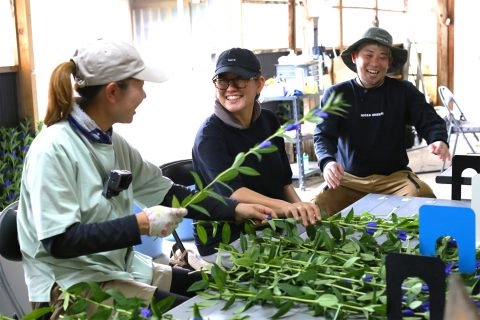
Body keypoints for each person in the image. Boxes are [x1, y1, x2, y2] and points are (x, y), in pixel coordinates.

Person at [16, 39, 276, 318]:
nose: (144, 95)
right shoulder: (53, 149)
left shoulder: (112, 142)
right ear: (113, 92)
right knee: (196, 313)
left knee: (219, 286)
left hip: (118, 267)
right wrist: (139, 225)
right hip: (72, 287)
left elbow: (168, 193)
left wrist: (234, 210)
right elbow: (60, 240)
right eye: (139, 85)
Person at [192, 47, 321, 263]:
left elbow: (284, 184)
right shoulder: (209, 136)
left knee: (320, 244)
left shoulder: (269, 122)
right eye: (222, 81)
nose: (230, 88)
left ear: (259, 83)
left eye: (240, 80)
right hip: (228, 238)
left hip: (272, 223)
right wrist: (289, 209)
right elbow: (235, 193)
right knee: (294, 264)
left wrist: (303, 215)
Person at [313, 27, 451, 216]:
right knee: (315, 208)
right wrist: (327, 162)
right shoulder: (337, 94)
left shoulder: (403, 91)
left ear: (390, 62)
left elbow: (428, 118)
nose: (375, 63)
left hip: (395, 179)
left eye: (382, 57)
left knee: (426, 202)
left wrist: (438, 139)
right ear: (355, 57)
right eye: (368, 55)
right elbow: (323, 134)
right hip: (347, 180)